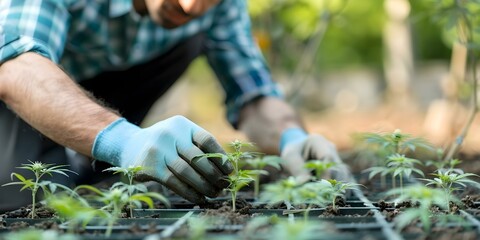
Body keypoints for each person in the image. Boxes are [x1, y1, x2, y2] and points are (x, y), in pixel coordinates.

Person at [0, 0, 345, 211]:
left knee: (190, 37)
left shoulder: (216, 6)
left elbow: (253, 93)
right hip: (23, 93)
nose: (191, 5)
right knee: (21, 200)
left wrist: (292, 138)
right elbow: (15, 67)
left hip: (99, 104)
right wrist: (126, 142)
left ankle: (100, 172)